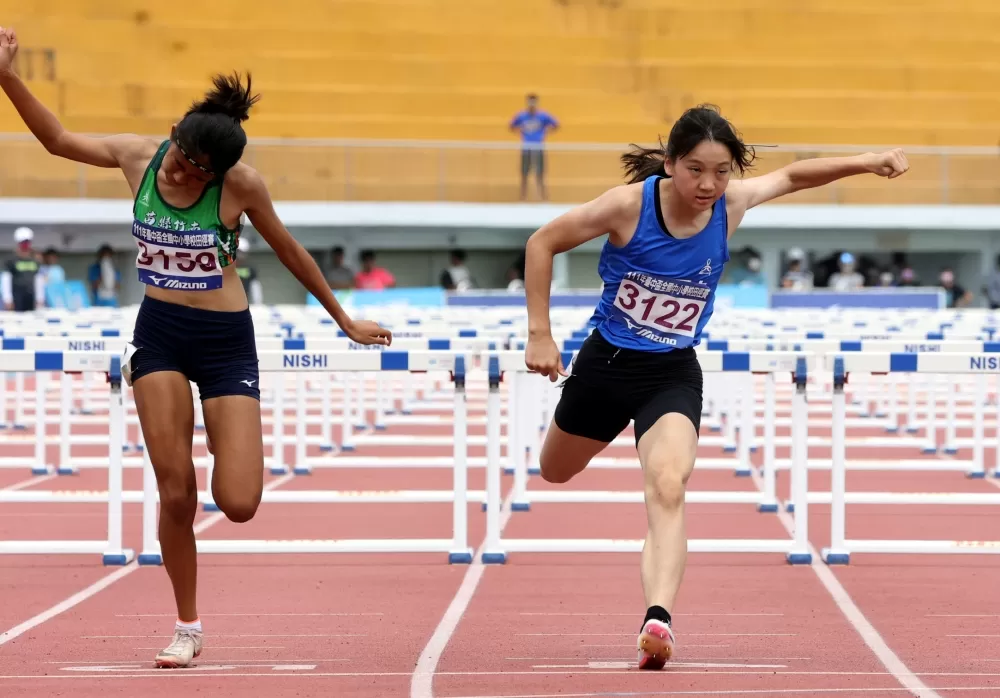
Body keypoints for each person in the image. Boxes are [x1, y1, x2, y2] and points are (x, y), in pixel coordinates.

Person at [0, 27, 392, 669]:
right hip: (159, 334)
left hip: (225, 341)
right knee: (176, 492)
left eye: (191, 167)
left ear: (219, 173)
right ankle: (187, 624)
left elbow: (292, 252)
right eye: (178, 155)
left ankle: (224, 434)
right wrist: (7, 75)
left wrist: (343, 319)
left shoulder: (242, 187)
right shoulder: (138, 156)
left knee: (238, 503)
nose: (178, 169)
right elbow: (57, 140)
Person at [522, 104, 908, 671]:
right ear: (671, 164)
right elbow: (541, 242)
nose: (708, 184)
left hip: (671, 372)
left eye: (722, 171)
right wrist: (540, 334)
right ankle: (654, 605)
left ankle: (658, 618)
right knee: (555, 470)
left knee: (669, 486)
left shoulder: (731, 205)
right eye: (696, 170)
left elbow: (796, 175)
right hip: (606, 366)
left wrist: (868, 161)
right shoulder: (628, 206)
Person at [1, 226, 44, 311]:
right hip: (16, 296)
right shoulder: (11, 260)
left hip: (31, 296)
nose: (26, 245)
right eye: (23, 243)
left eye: (28, 242)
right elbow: (6, 279)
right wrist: (7, 299)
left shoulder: (35, 260)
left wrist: (40, 298)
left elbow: (38, 279)